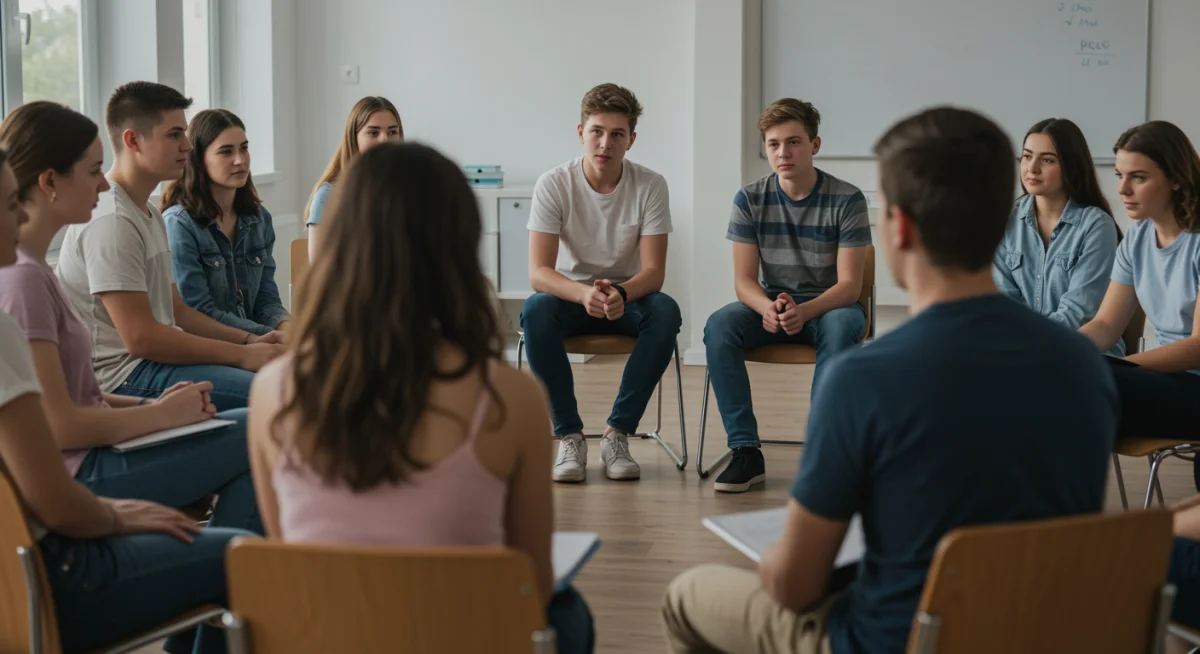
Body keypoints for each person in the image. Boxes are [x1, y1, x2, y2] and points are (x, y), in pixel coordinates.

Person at [662, 107, 1118, 654]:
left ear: (898, 228)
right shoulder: (1083, 366)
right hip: (1037, 636)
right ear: (1002, 220)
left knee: (687, 595)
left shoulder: (863, 381)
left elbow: (794, 586)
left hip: (893, 642)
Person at [248, 142, 594, 653]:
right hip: (461, 637)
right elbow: (532, 585)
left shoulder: (271, 392)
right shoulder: (510, 398)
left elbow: (292, 559)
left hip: (327, 640)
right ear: (459, 247)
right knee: (569, 613)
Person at [0, 144, 247, 654]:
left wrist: (156, 414)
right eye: (8, 205)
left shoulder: (28, 278)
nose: (19, 217)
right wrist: (116, 514)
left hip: (43, 553)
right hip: (58, 571)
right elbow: (53, 473)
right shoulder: (20, 285)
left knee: (251, 437)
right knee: (248, 552)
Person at [0, 100, 261, 535]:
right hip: (89, 458)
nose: (103, 183)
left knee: (264, 430)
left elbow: (82, 394)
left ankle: (236, 549)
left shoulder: (39, 270)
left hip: (102, 432)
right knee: (269, 420)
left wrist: (157, 407)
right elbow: (65, 420)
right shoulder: (26, 277)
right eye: (92, 171)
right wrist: (162, 415)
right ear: (49, 182)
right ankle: (237, 555)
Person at [54, 82, 284, 410]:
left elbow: (178, 312)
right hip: (121, 377)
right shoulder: (113, 219)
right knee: (283, 391)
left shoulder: (147, 212)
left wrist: (251, 340)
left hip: (153, 363)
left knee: (290, 378)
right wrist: (243, 355)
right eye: (175, 134)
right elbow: (141, 339)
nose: (188, 146)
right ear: (133, 140)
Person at [702, 98, 870, 493]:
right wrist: (767, 308)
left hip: (829, 306)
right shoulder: (749, 199)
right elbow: (744, 280)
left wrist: (804, 311)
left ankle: (824, 450)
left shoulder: (847, 199)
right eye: (774, 144)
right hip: (772, 307)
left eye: (793, 142)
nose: (783, 153)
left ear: (814, 145)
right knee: (719, 326)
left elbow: (850, 286)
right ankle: (745, 450)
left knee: (843, 325)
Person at [522, 83, 681, 483]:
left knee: (665, 310)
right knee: (536, 309)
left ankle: (617, 434)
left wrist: (621, 293)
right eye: (596, 131)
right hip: (571, 297)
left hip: (626, 299)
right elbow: (539, 272)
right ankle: (569, 436)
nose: (605, 143)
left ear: (631, 140)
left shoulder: (651, 185)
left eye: (617, 134)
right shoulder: (554, 183)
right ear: (581, 133)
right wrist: (583, 294)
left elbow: (654, 273)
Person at [1079, 120, 1200, 490]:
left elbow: (1198, 347)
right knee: (1059, 379)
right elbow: (1105, 326)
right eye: (1120, 175)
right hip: (1165, 381)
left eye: (1138, 177)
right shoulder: (1137, 239)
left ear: (1176, 178)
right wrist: (1062, 350)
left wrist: (1121, 367)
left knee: (1086, 385)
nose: (1123, 189)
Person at [994, 118, 1121, 351]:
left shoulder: (1096, 226)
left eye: (1047, 160)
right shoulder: (1006, 220)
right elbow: (1002, 305)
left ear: (1070, 166)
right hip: (1022, 351)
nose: (1032, 168)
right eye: (1027, 156)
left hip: (1083, 353)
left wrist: (1024, 344)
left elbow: (1078, 313)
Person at [162, 109, 290, 337]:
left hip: (256, 342)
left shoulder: (260, 219)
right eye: (226, 152)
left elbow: (266, 300)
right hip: (211, 347)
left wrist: (290, 330)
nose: (240, 160)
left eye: (244, 148)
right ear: (199, 159)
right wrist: (268, 338)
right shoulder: (179, 224)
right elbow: (198, 312)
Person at [304, 95, 402, 260]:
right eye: (373, 133)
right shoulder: (328, 196)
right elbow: (321, 269)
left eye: (392, 132)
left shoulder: (406, 191)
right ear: (353, 139)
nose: (385, 140)